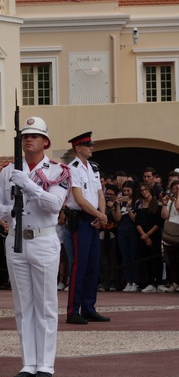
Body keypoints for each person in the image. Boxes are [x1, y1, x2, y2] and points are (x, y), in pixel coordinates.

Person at [0, 116, 70, 377]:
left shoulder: (58, 171)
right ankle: (29, 363)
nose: (28, 139)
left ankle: (46, 364)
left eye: (34, 136)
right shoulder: (9, 170)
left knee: (46, 305)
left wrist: (30, 186)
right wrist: (9, 212)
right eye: (25, 136)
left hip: (44, 240)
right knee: (23, 306)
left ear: (45, 141)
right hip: (16, 240)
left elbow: (55, 205)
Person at [65, 131, 110, 325]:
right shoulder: (72, 168)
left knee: (93, 266)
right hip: (82, 220)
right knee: (79, 266)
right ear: (78, 148)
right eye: (88, 145)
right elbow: (79, 199)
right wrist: (100, 215)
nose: (92, 147)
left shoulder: (93, 167)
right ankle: (73, 310)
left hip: (94, 220)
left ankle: (89, 307)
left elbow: (100, 193)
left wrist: (102, 214)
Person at [136, 182, 165, 292]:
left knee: (157, 259)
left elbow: (158, 223)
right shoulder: (140, 205)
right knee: (146, 259)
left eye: (146, 189)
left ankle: (159, 282)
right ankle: (150, 282)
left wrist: (148, 235)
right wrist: (144, 235)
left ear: (150, 190)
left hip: (154, 235)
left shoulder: (157, 204)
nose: (144, 192)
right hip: (143, 236)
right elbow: (137, 222)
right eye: (142, 190)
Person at [114, 180, 140, 292]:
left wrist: (129, 208)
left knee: (133, 256)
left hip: (133, 231)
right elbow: (118, 219)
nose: (126, 193)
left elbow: (135, 219)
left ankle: (135, 282)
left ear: (133, 191)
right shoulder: (121, 202)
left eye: (128, 190)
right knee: (125, 257)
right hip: (121, 231)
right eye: (124, 191)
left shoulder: (137, 202)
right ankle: (128, 281)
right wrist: (118, 205)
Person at [98, 185, 121, 291]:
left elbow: (117, 219)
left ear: (115, 196)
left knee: (113, 259)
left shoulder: (116, 204)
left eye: (111, 195)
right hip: (102, 233)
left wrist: (113, 207)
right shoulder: (101, 203)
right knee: (103, 260)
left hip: (113, 233)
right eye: (107, 194)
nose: (109, 196)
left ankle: (113, 282)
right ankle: (104, 282)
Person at [161, 179, 179, 292]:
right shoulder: (170, 201)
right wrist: (164, 204)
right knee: (172, 261)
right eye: (174, 188)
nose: (176, 190)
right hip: (170, 233)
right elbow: (164, 215)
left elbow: (178, 207)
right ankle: (175, 282)